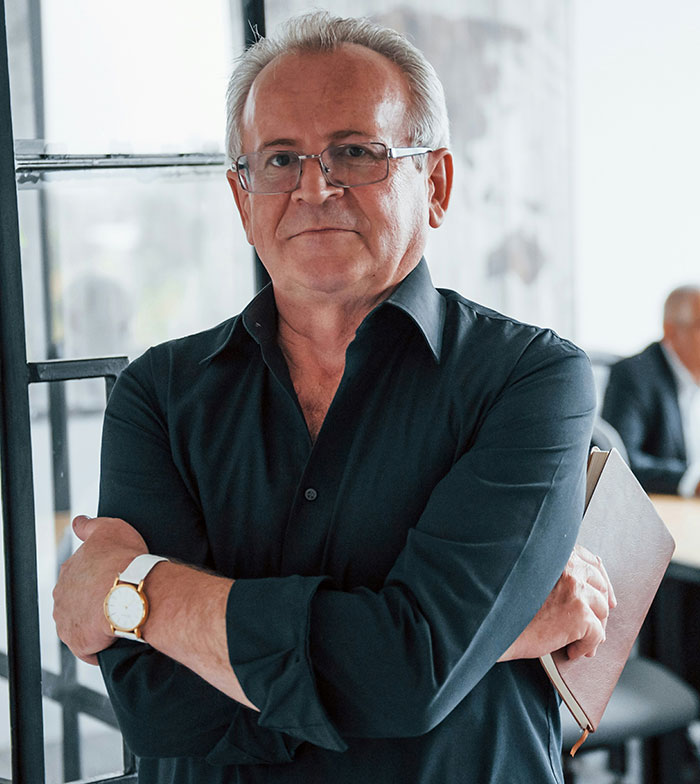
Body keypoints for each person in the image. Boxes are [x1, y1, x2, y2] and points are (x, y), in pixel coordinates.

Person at [53, 12, 614, 783]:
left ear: (437, 182)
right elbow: (161, 708)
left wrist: (135, 592)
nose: (315, 187)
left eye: (357, 151)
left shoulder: (530, 379)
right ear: (242, 197)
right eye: (280, 159)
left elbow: (409, 676)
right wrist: (470, 640)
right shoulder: (160, 394)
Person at [602, 285, 700, 496]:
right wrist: (693, 480)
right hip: (662, 512)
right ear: (671, 330)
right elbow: (620, 462)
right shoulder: (633, 376)